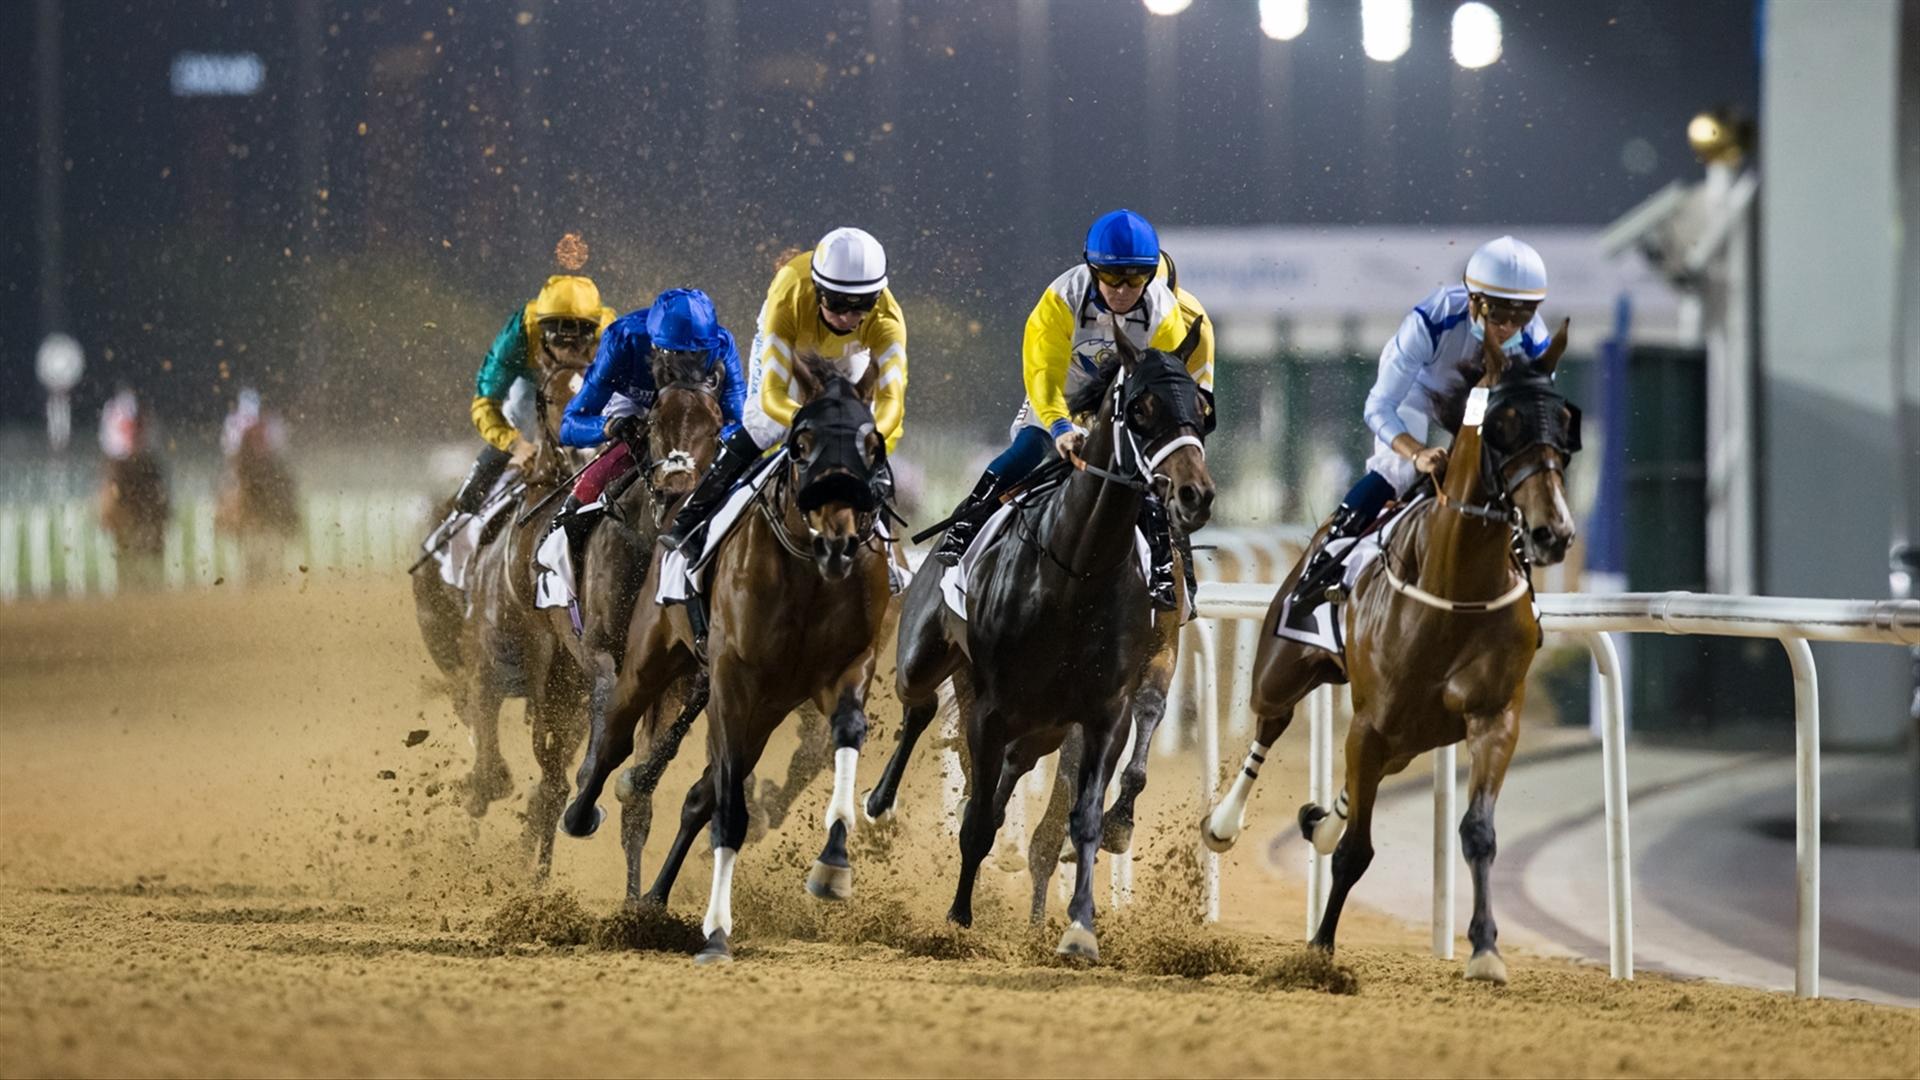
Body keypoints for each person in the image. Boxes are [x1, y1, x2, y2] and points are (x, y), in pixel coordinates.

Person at [931, 208, 1210, 611]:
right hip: (1059, 399)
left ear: (1150, 276)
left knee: (1147, 479)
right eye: (1112, 277)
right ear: (1092, 269)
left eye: (1135, 279)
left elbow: (1163, 389)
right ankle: (965, 524)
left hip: (1121, 410)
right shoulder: (1061, 298)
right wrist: (1060, 427)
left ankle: (1166, 568)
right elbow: (1043, 371)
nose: (1122, 289)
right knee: (1028, 451)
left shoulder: (1165, 313)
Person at [1282, 234, 1554, 629]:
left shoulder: (1535, 342)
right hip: (1418, 397)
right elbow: (1378, 407)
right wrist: (1417, 452)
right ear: (1474, 300)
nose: (1508, 329)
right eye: (1498, 315)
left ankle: (1521, 583)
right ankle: (1326, 562)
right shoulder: (1434, 317)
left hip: (1484, 402)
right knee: (1400, 473)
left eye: (1521, 317)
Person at [659, 227, 906, 553]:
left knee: (864, 434)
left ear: (877, 299)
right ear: (818, 291)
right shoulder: (787, 298)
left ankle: (885, 552)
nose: (847, 316)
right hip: (793, 344)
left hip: (853, 353)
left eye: (862, 306)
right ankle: (690, 521)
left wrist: (864, 434)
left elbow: (891, 406)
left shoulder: (887, 321)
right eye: (837, 303)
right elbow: (773, 397)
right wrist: (814, 422)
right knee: (764, 425)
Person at [544, 287, 744, 557]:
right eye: (677, 356)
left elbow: (741, 423)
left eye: (697, 356)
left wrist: (717, 438)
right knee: (607, 467)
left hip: (694, 411)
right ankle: (563, 537)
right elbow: (570, 426)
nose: (687, 367)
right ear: (654, 346)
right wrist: (609, 426)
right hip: (635, 405)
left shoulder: (722, 344)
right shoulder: (623, 339)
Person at [448, 240, 617, 520]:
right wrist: (515, 444)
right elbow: (484, 403)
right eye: (559, 339)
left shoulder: (612, 333)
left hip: (588, 385)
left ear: (595, 332)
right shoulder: (520, 333)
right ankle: (467, 512)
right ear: (541, 331)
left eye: (580, 339)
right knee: (519, 412)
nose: (568, 351)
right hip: (532, 388)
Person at [220, 387, 289, 460]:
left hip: (256, 457)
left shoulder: (266, 422)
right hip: (243, 455)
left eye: (253, 402)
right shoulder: (232, 420)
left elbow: (274, 442)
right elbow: (228, 440)